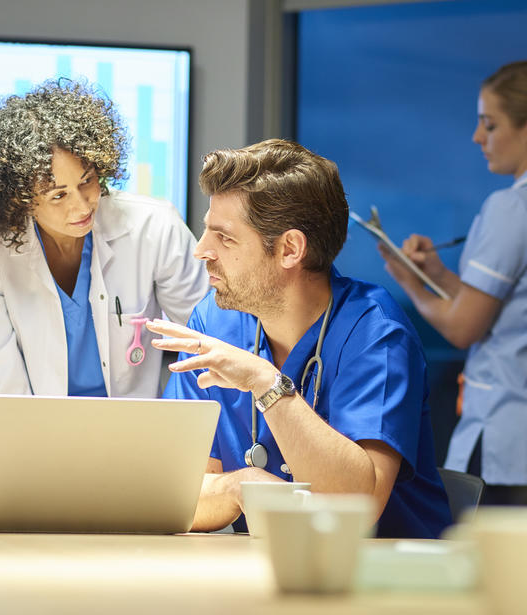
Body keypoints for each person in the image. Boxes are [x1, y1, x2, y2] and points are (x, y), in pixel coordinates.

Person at [153, 139, 452, 539]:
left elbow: (355, 507)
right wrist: (242, 486)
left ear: (290, 249)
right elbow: (173, 496)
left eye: (224, 237)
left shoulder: (375, 333)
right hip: (271, 573)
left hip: (386, 582)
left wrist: (266, 383)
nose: (201, 251)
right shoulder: (214, 321)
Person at [0, 79, 208, 449]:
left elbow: (208, 346)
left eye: (87, 181)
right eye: (58, 195)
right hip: (32, 451)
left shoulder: (153, 227)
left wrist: (176, 440)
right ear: (18, 200)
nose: (82, 205)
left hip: (139, 442)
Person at [380, 61, 527, 505]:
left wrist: (411, 283)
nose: (478, 138)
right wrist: (438, 275)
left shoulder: (510, 208)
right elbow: (499, 302)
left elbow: (464, 327)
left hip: (506, 437)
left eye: (490, 124)